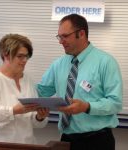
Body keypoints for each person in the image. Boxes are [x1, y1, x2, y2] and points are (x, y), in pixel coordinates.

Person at [37, 14, 123, 150]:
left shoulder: (106, 62)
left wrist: (86, 107)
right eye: (59, 37)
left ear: (81, 33)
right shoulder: (58, 64)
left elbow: (115, 103)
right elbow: (40, 92)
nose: (61, 41)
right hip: (66, 139)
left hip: (97, 141)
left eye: (65, 36)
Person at [0, 33, 49, 144]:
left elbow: (33, 121)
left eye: (27, 56)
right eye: (20, 56)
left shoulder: (28, 81)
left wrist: (40, 117)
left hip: (25, 145)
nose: (25, 60)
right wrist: (13, 111)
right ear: (6, 55)